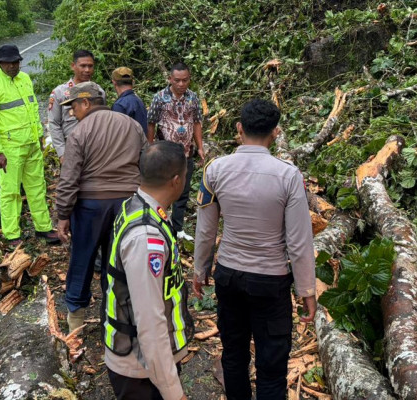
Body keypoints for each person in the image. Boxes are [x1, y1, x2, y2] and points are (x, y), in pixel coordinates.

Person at [193, 98, 316, 400]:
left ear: (239, 128)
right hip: (270, 281)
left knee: (234, 355)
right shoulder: (289, 176)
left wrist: (200, 269)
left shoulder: (215, 170)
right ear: (275, 132)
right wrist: (306, 290)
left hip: (229, 276)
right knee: (271, 367)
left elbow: (206, 229)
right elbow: (299, 240)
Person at [103, 141, 194, 400]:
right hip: (139, 367)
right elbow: (150, 323)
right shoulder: (145, 237)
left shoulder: (137, 206)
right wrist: (173, 392)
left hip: (145, 361)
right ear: (176, 181)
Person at [54, 82, 148, 333]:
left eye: (74, 107)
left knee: (81, 260)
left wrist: (63, 214)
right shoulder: (133, 126)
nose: (72, 112)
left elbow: (69, 177)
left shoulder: (80, 131)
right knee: (117, 262)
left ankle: (75, 322)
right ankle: (115, 319)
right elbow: (146, 164)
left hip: (90, 207)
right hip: (127, 204)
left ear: (86, 103)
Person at [0, 44, 59, 248]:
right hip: (10, 149)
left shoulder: (25, 79)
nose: (14, 66)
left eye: (16, 62)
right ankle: (12, 234)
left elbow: (33, 108)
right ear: (0, 63)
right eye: (9, 63)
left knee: (37, 187)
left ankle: (43, 228)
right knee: (10, 191)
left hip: (31, 144)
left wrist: (39, 136)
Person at [146, 62, 204, 240]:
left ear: (189, 79)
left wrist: (200, 146)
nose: (181, 84)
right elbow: (151, 123)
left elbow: (197, 123)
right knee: (162, 188)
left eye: (185, 80)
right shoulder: (159, 98)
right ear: (170, 79)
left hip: (186, 153)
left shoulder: (193, 98)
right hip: (164, 154)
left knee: (183, 191)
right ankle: (157, 223)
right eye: (177, 80)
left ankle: (177, 229)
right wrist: (149, 146)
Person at [48, 50, 107, 161]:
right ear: (73, 66)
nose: (87, 70)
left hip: (96, 150)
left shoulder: (99, 92)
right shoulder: (59, 93)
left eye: (90, 66)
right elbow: (54, 124)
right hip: (71, 149)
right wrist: (62, 153)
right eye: (83, 66)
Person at [111, 67, 148, 135]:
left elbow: (117, 134)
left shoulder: (119, 105)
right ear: (133, 82)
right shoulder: (139, 101)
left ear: (114, 82)